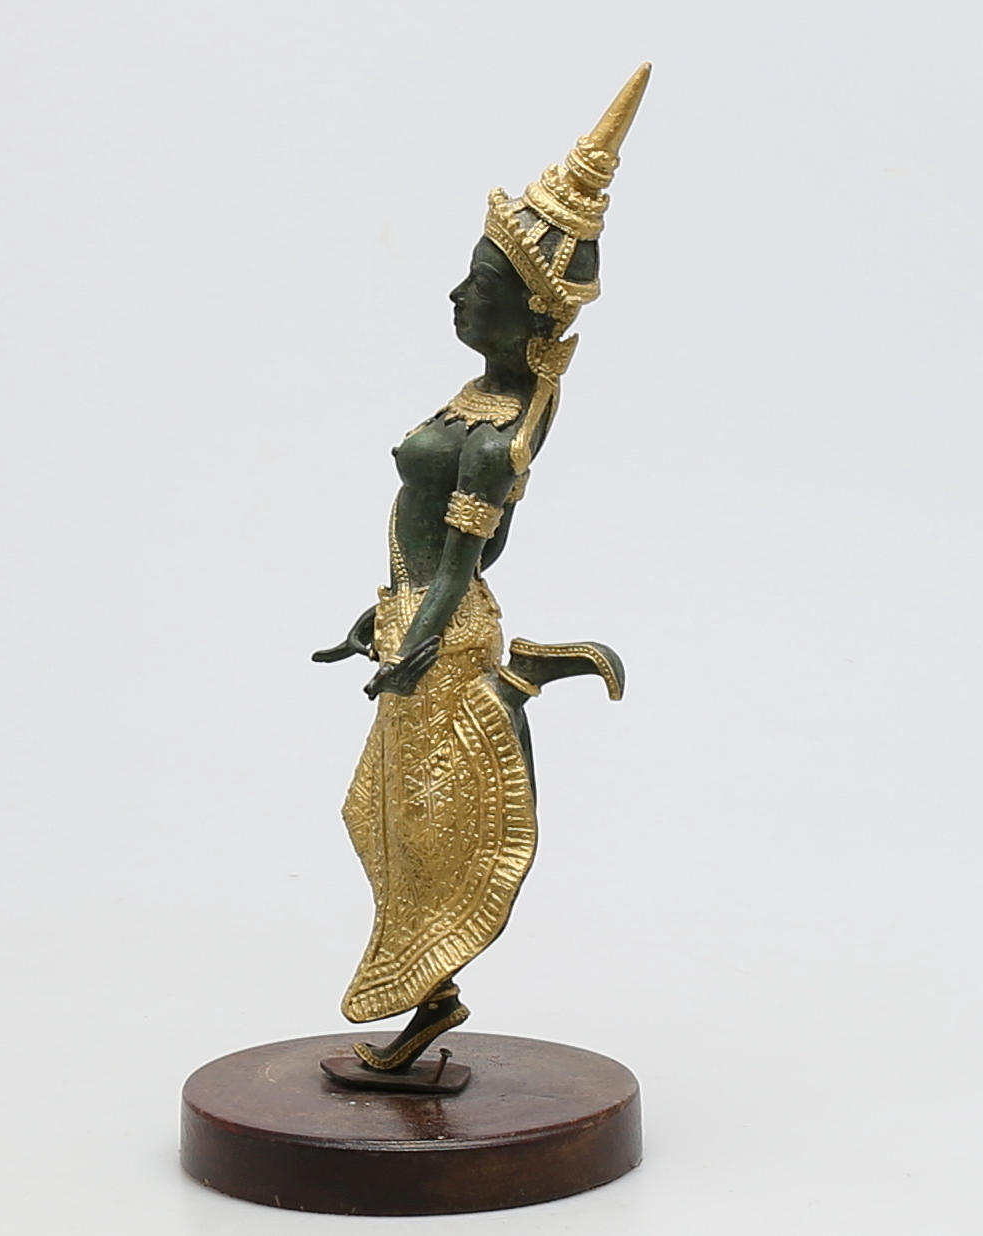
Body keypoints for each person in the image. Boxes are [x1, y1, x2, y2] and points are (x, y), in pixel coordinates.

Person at [313, 65, 649, 1077]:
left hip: (442, 635)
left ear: (530, 320)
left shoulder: (497, 443)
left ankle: (431, 996)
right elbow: (420, 545)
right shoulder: (477, 399)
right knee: (380, 815)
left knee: (427, 828)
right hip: (412, 619)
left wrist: (412, 646)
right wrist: (376, 615)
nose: (459, 297)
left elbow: (458, 567)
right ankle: (525, 677)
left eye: (482, 290)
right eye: (467, 280)